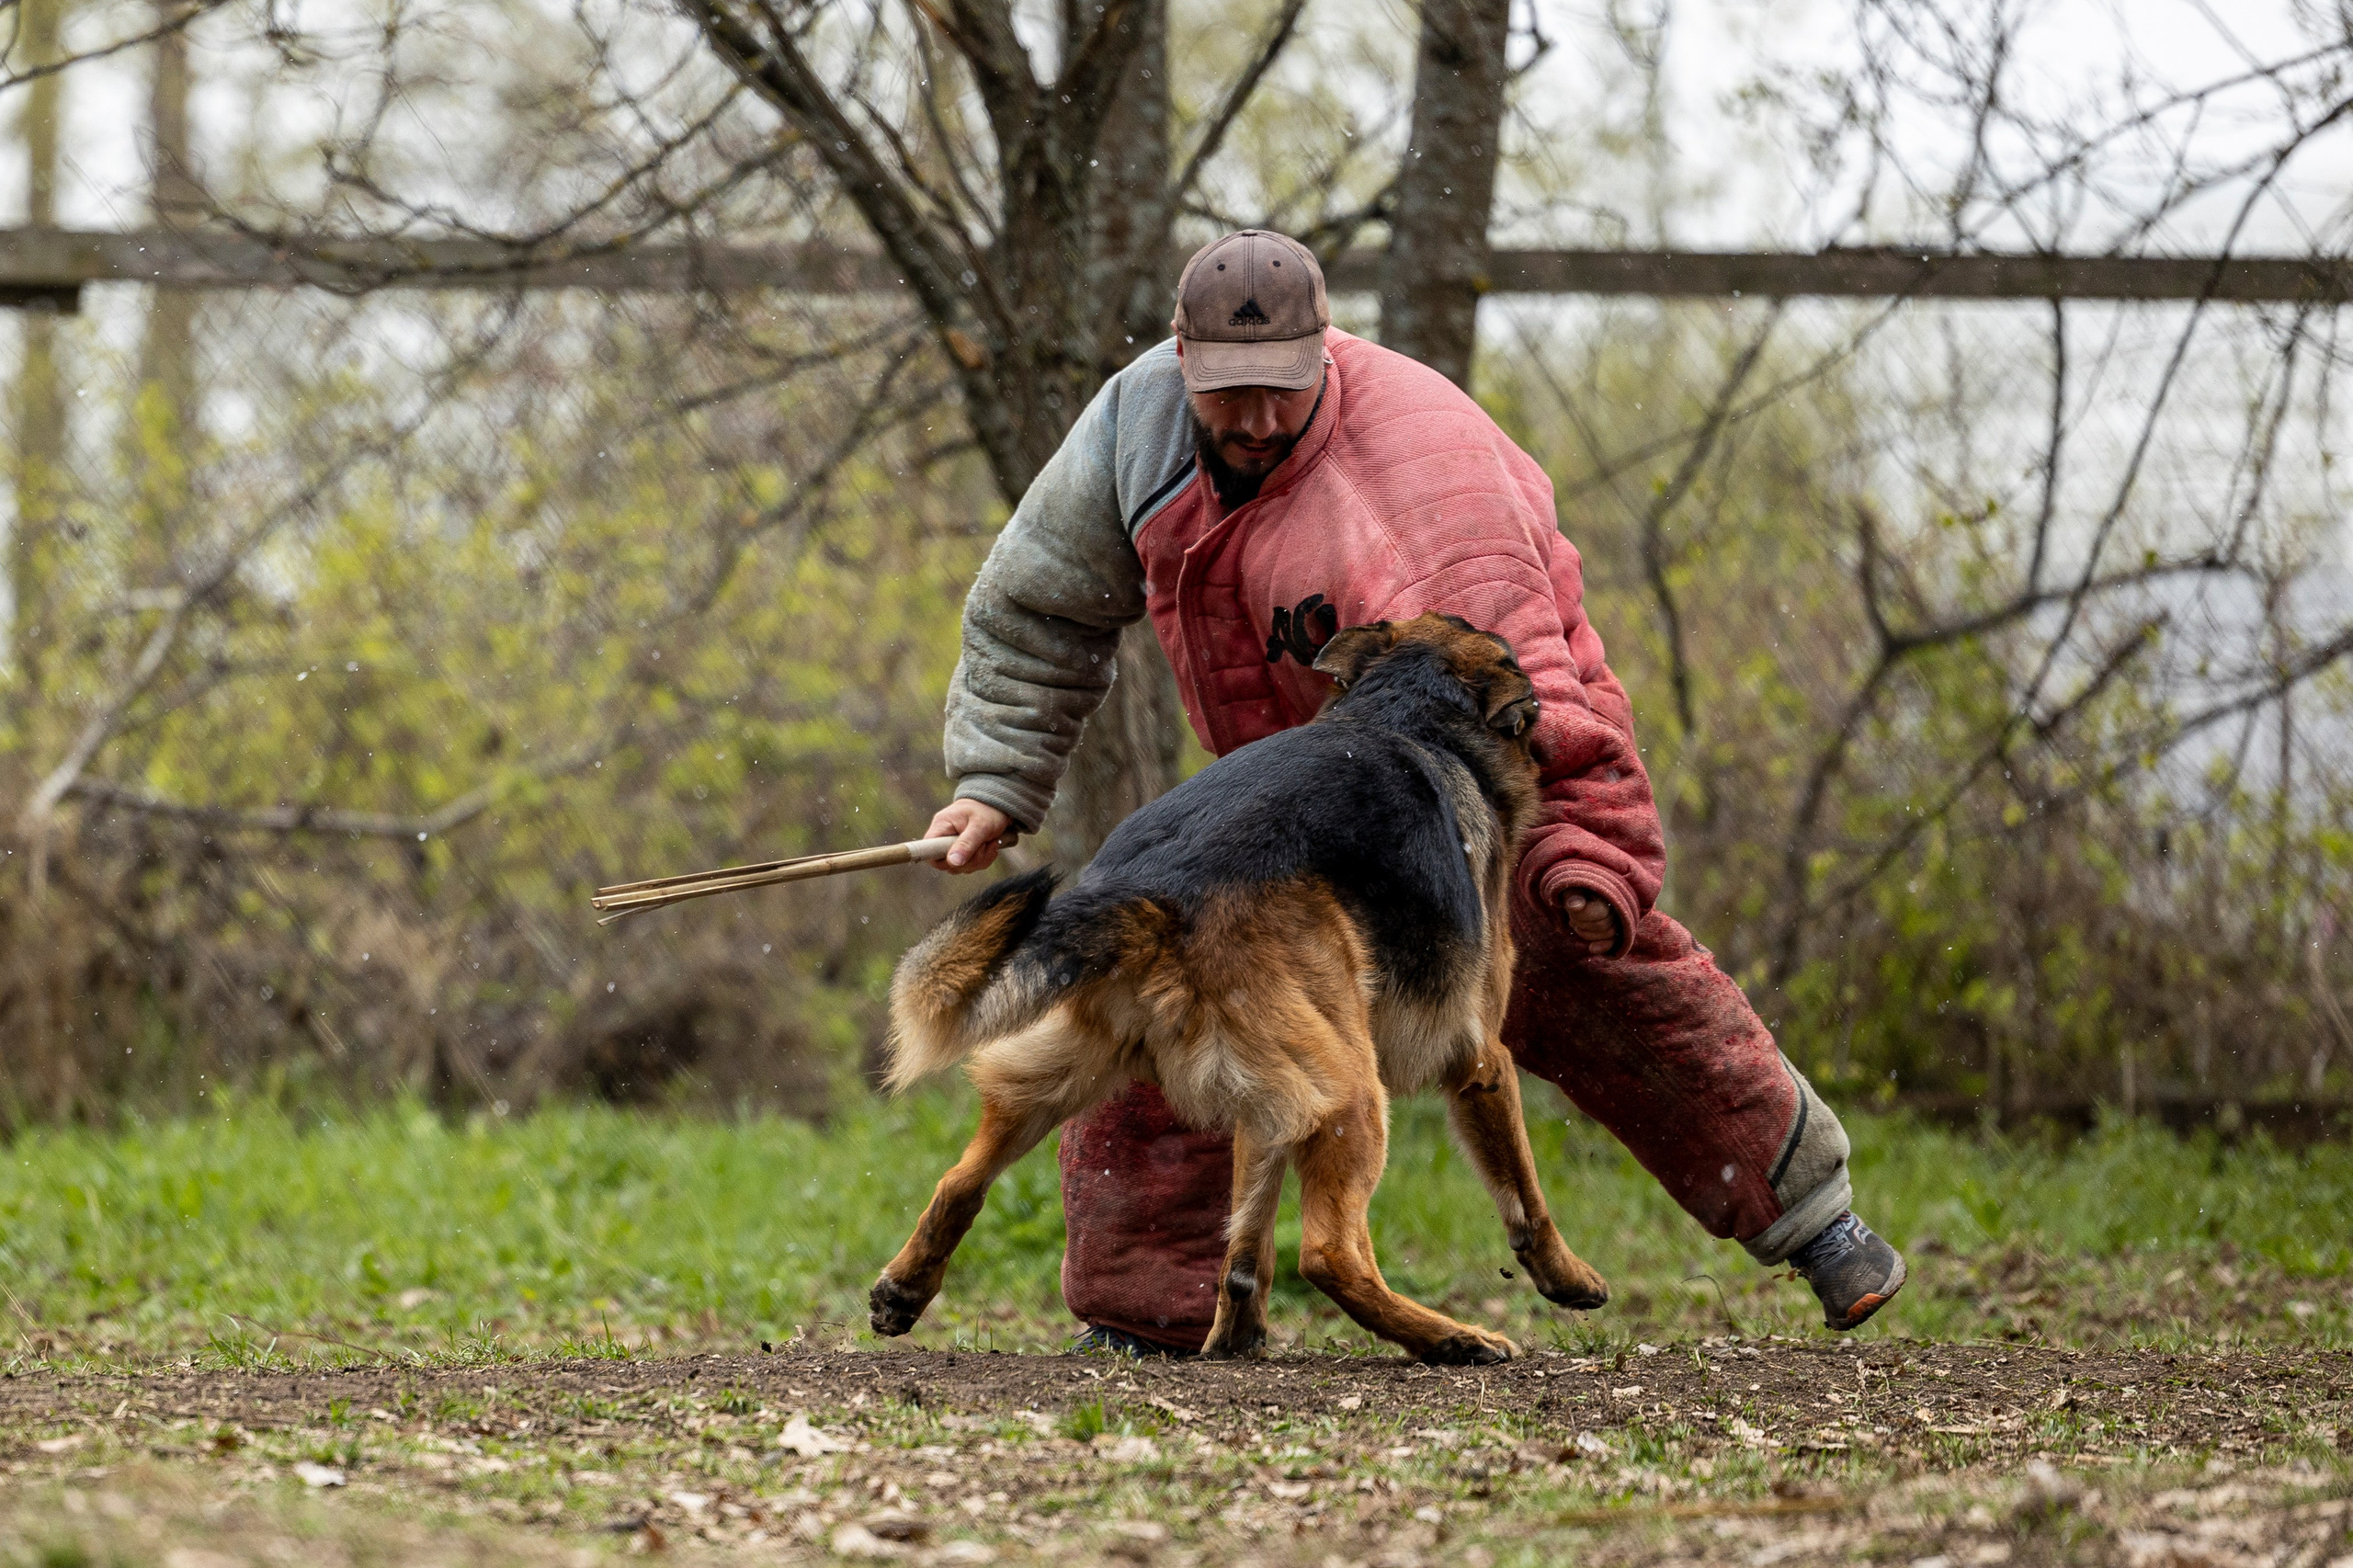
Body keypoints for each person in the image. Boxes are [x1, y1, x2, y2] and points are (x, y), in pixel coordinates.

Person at [921, 228, 1905, 1352]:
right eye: (1221, 393)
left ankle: (1816, 1218)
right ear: (1179, 357)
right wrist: (994, 781)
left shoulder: (1422, 480)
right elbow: (1036, 605)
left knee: (1559, 947)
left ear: (1324, 356)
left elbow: (1540, 694)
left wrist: (1584, 851)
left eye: (1276, 394)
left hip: (1463, 766)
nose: (1247, 420)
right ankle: (1151, 1315)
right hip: (1289, 784)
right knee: (1162, 947)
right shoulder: (1135, 426)